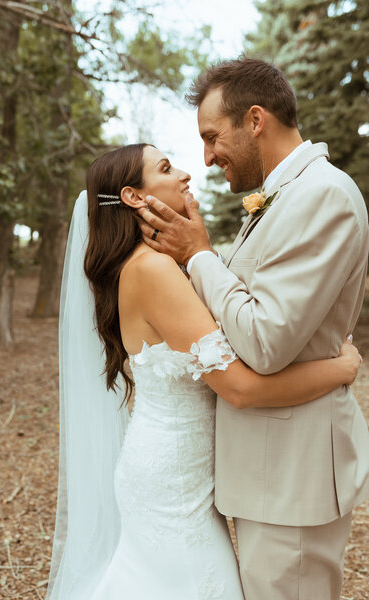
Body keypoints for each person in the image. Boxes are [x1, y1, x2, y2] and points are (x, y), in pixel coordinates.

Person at [46, 142, 362, 600]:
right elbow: (239, 388)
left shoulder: (155, 265)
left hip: (179, 470)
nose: (186, 175)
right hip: (174, 486)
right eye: (167, 168)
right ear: (134, 197)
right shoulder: (153, 271)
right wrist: (341, 368)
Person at [137, 58, 369, 600]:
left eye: (213, 136)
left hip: (293, 475)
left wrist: (200, 256)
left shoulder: (323, 195)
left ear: (256, 119)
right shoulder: (283, 195)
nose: (207, 156)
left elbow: (265, 342)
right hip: (269, 472)